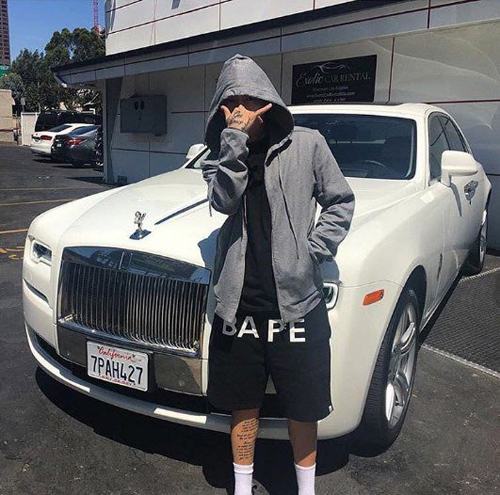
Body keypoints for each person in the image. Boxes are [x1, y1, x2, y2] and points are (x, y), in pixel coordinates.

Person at [201, 54, 355, 495]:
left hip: (297, 303)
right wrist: (234, 142)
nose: (240, 109)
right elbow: (224, 202)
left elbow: (340, 200)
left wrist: (313, 251)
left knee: (303, 406)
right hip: (240, 304)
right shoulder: (218, 156)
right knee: (242, 405)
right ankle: (241, 488)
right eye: (231, 101)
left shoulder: (308, 144)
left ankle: (306, 490)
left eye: (249, 99)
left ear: (267, 100)